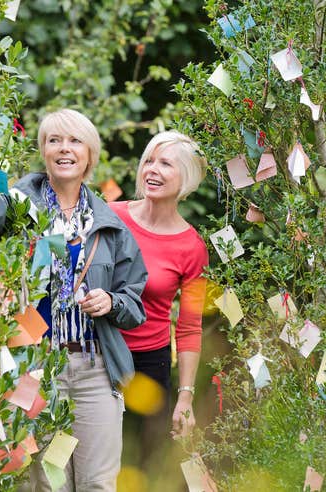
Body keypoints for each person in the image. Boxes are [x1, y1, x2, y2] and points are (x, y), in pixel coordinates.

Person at [0, 108, 148, 491]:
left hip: (94, 369)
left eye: (75, 141)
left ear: (90, 154)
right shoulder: (16, 207)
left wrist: (111, 302)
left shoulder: (110, 224)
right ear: (43, 150)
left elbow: (136, 303)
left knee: (98, 484)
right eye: (54, 140)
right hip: (34, 366)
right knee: (43, 483)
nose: (64, 149)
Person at [110, 130, 208, 467]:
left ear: (186, 177)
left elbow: (190, 327)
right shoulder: (111, 217)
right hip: (99, 355)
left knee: (142, 466)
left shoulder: (192, 248)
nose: (152, 169)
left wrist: (185, 396)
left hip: (148, 366)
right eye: (148, 160)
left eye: (165, 163)